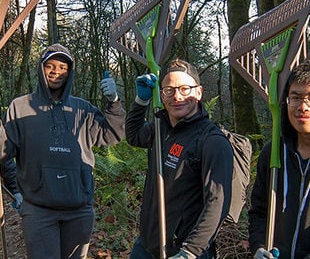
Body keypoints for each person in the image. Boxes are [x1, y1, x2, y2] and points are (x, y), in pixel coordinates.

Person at [0, 43, 126, 259]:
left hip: (79, 210)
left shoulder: (82, 109)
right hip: (38, 211)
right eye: (50, 66)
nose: (56, 71)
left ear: (70, 73)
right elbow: (3, 152)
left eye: (62, 67)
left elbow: (113, 134)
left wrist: (114, 102)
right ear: (41, 68)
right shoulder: (19, 108)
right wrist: (15, 190)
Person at [125, 58, 234, 258]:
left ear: (199, 92)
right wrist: (141, 101)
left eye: (185, 88)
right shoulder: (160, 128)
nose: (177, 96)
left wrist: (191, 251)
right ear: (162, 95)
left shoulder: (211, 141)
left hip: (183, 250)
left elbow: (217, 202)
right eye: (169, 90)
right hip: (148, 245)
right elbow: (133, 136)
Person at [248, 60, 310, 259]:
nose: (303, 107)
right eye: (296, 97)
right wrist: (258, 246)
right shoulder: (273, 153)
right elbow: (258, 212)